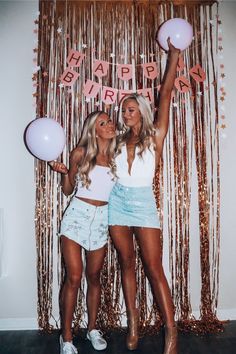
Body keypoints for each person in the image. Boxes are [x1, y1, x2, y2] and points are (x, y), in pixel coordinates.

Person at [108, 39, 180, 354]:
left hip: (142, 202)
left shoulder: (156, 134)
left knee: (154, 267)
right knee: (126, 262)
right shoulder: (115, 139)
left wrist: (174, 55)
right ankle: (134, 323)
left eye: (131, 109)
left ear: (142, 111)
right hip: (117, 202)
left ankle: (171, 333)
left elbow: (165, 93)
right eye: (123, 109)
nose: (125, 113)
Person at [49, 111, 116, 354]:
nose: (110, 124)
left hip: (102, 219)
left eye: (109, 121)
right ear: (94, 130)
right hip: (77, 216)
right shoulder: (80, 152)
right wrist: (65, 172)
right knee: (74, 277)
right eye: (103, 123)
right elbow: (67, 191)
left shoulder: (118, 155)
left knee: (94, 277)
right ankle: (66, 337)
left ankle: (92, 329)